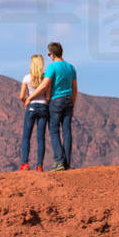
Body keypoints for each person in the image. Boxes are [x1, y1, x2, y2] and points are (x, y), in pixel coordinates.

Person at [26, 41, 77, 171]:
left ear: (52, 54)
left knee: (54, 130)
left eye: (49, 54)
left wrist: (30, 97)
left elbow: (44, 85)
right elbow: (75, 88)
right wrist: (73, 104)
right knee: (66, 131)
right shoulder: (71, 67)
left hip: (56, 100)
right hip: (69, 100)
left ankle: (59, 161)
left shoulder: (52, 67)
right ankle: (67, 163)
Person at [18, 54, 49, 171]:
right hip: (44, 107)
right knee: (41, 138)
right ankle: (40, 165)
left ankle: (25, 164)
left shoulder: (26, 78)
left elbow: (21, 96)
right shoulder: (46, 78)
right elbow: (48, 96)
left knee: (26, 136)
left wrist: (27, 101)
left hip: (31, 107)